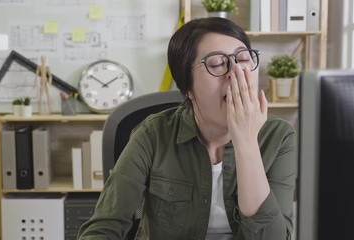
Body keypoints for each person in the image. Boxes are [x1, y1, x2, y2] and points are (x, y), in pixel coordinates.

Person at [77, 17, 296, 240]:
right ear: (187, 88)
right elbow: (103, 228)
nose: (236, 73)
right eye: (217, 64)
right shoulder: (152, 134)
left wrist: (246, 142)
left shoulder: (279, 137)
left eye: (242, 59)